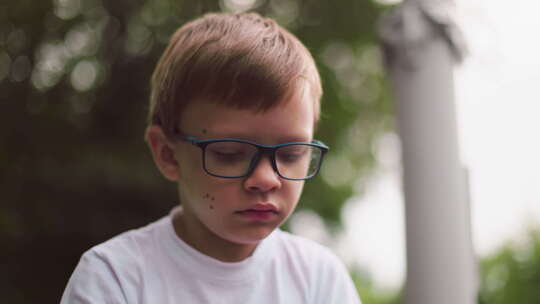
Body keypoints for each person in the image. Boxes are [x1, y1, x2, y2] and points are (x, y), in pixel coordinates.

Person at [61, 12, 361, 304]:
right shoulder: (114, 277)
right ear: (168, 155)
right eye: (230, 154)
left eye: (291, 153)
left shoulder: (321, 279)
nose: (266, 179)